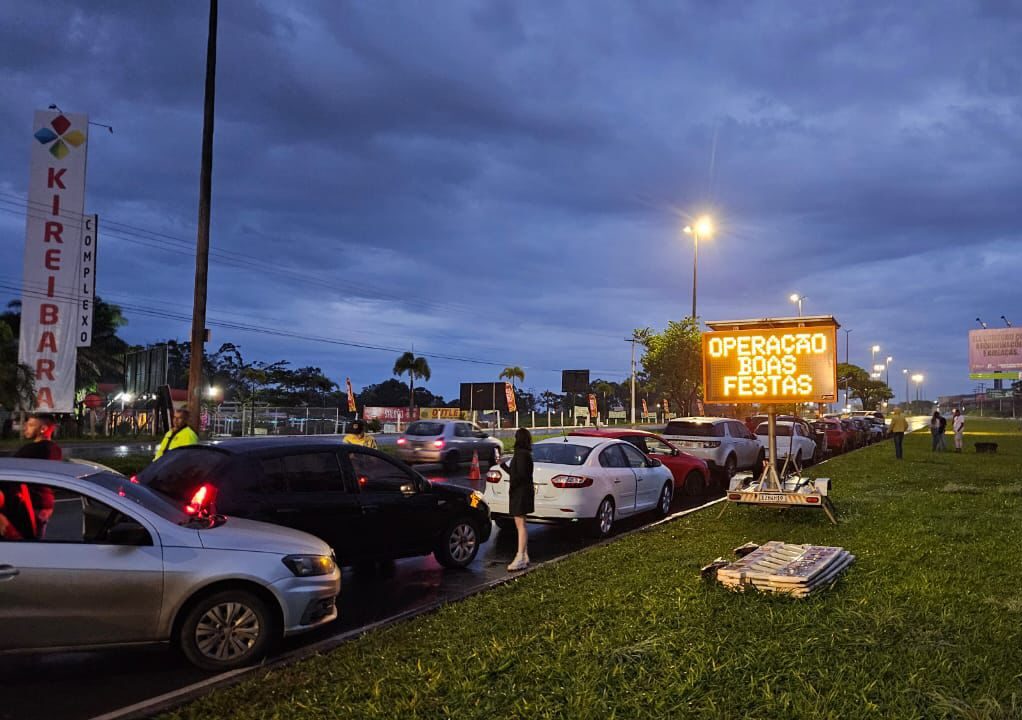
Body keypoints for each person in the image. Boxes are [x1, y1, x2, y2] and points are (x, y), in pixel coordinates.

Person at [501, 428, 533, 572]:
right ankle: (524, 555)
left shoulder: (520, 455)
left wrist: (512, 484)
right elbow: (517, 473)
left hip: (519, 493)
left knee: (520, 525)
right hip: (523, 492)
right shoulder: (525, 454)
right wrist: (503, 466)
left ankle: (520, 556)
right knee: (522, 524)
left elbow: (519, 476)